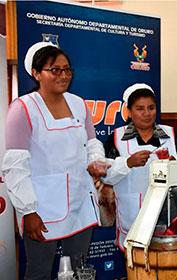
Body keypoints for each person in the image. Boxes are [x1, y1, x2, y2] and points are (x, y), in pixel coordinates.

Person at [1, 42, 106, 279]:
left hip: (80, 201)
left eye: (67, 69)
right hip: (42, 207)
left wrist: (96, 160)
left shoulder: (79, 104)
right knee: (39, 271)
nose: (63, 75)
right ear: (36, 73)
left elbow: (92, 143)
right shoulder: (24, 108)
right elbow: (15, 166)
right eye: (55, 70)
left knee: (78, 269)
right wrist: (28, 212)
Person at [101, 83, 177, 251]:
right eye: (140, 108)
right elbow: (105, 175)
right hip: (132, 213)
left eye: (151, 108)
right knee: (136, 265)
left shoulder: (169, 134)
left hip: (166, 211)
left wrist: (175, 163)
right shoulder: (117, 137)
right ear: (129, 111)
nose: (147, 113)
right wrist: (128, 163)